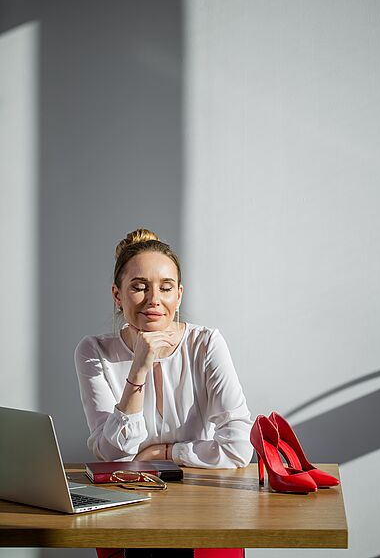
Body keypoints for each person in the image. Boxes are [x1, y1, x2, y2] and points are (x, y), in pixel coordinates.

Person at [74, 228, 252, 558]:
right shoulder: (93, 350)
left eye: (166, 288)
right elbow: (114, 455)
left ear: (179, 295)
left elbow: (239, 448)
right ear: (117, 294)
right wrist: (139, 368)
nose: (154, 299)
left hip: (204, 508)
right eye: (139, 287)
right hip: (125, 513)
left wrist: (163, 454)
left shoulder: (206, 344)